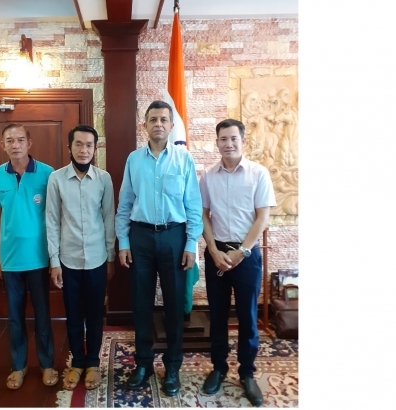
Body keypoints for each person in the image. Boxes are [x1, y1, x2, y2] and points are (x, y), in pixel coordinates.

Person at [115, 100, 203, 396]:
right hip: (140, 239)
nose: (158, 124)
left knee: (174, 305)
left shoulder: (183, 160)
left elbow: (193, 206)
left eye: (164, 120)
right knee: (141, 304)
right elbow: (125, 204)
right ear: (145, 125)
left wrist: (191, 243)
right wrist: (123, 242)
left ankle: (173, 366)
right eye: (153, 119)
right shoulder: (133, 160)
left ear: (171, 125)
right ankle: (143, 364)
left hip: (174, 238)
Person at [199, 119, 276, 406]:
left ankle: (247, 373)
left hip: (247, 256)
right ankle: (219, 368)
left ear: (243, 140)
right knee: (217, 316)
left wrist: (241, 252)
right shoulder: (208, 177)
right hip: (217, 254)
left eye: (233, 138)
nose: (228, 144)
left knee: (247, 317)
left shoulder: (258, 174)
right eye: (223, 139)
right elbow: (204, 216)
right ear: (216, 142)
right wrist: (214, 250)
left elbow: (262, 218)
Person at [0, 123, 58, 390]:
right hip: (10, 260)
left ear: (30, 143)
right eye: (10, 140)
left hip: (39, 258)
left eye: (20, 140)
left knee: (43, 315)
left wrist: (54, 256)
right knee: (14, 317)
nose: (15, 145)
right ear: (3, 145)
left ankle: (47, 364)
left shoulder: (47, 174)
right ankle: (19, 366)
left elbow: (54, 217)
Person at [45, 124, 116, 391]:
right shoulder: (56, 179)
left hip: (97, 258)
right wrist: (54, 261)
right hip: (69, 259)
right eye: (78, 144)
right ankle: (77, 362)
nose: (84, 150)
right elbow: (51, 220)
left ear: (95, 149)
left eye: (89, 145)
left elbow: (109, 218)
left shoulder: (104, 179)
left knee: (96, 314)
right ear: (69, 147)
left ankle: (94, 364)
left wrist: (110, 256)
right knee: (73, 314)